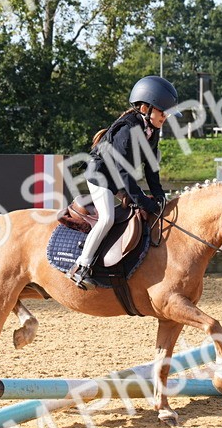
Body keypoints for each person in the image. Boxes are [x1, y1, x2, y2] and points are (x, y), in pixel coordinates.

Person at [67, 75, 177, 290]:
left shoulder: (153, 131)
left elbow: (151, 168)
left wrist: (160, 196)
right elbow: (123, 173)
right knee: (107, 218)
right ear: (146, 108)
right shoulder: (126, 130)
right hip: (100, 176)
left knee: (140, 210)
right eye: (163, 112)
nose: (166, 117)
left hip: (118, 176)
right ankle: (82, 265)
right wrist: (143, 200)